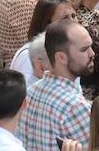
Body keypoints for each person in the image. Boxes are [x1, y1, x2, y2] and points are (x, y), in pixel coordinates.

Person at [17, 20, 93, 151]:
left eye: (90, 46)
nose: (92, 53)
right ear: (61, 57)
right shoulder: (76, 106)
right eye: (84, 49)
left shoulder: (31, 91)